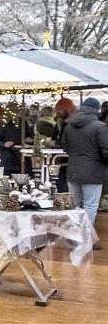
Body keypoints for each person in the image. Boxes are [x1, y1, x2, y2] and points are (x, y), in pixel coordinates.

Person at [62, 97, 108, 247]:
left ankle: (73, 236)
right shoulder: (100, 126)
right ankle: (85, 237)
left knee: (74, 206)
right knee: (90, 206)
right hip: (93, 172)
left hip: (73, 170)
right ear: (97, 110)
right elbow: (106, 151)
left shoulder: (69, 126)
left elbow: (66, 148)